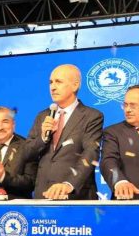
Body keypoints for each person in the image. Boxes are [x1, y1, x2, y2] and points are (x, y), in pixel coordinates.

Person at [28, 64, 103, 200]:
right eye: (51, 82)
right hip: (43, 194)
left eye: (58, 82)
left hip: (76, 195)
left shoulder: (92, 116)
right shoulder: (42, 116)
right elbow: (27, 153)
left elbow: (91, 153)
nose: (53, 87)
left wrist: (69, 184)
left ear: (75, 85)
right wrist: (42, 138)